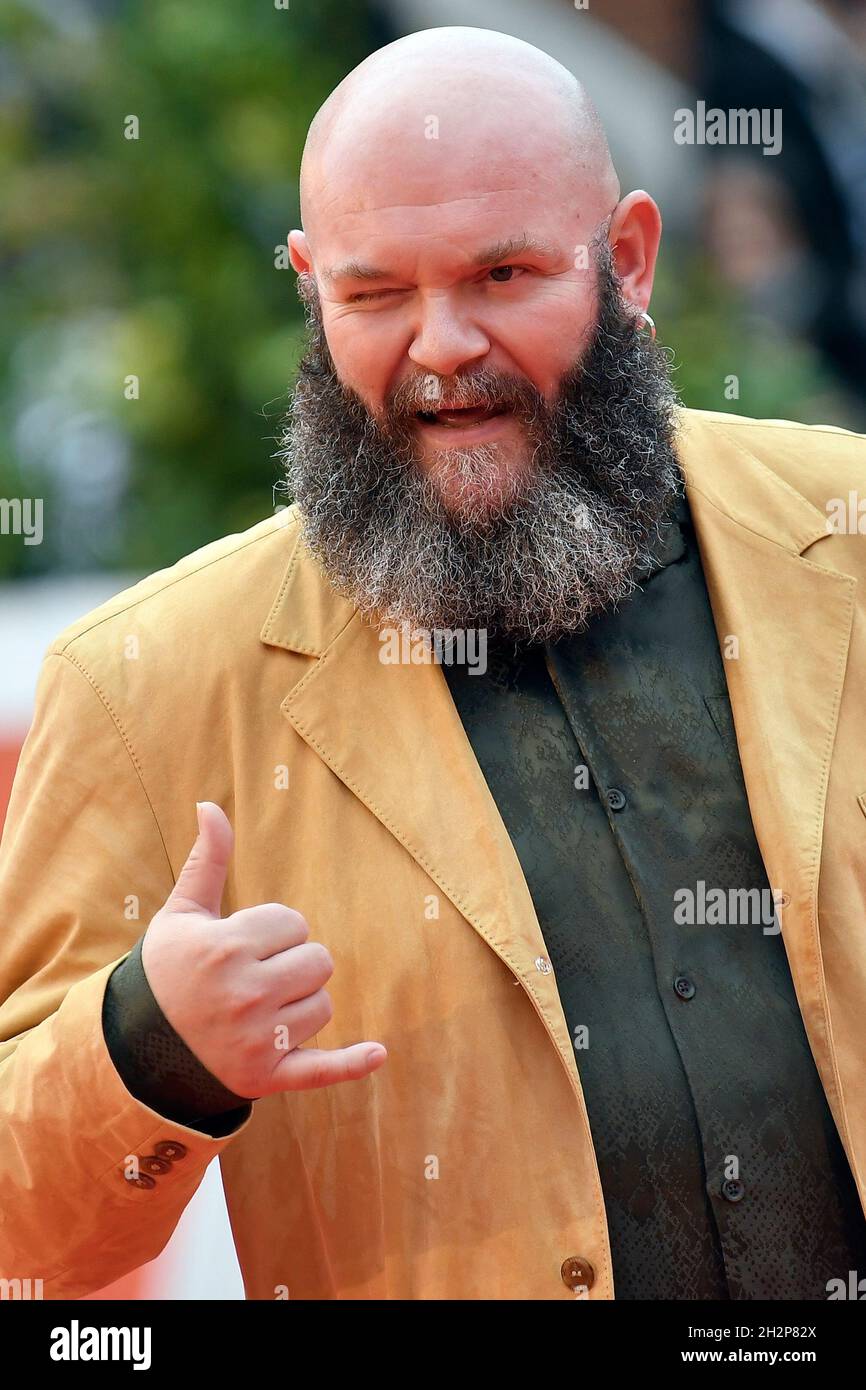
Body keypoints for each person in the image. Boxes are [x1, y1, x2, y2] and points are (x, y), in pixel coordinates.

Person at [2, 25, 866, 1302]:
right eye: (373, 293)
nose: (441, 345)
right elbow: (34, 1237)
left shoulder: (841, 539)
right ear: (308, 286)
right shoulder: (147, 684)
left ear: (625, 260)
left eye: (502, 273)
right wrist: (145, 1048)